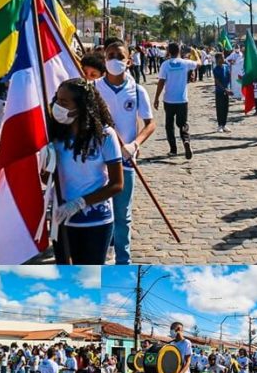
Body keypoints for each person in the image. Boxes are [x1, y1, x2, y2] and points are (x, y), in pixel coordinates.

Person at [48, 78, 124, 264]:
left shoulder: (105, 136)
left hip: (96, 221)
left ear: (81, 106)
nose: (58, 106)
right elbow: (47, 177)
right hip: (62, 220)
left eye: (64, 102)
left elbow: (117, 184)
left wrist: (79, 203)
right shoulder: (56, 135)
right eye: (57, 100)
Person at [94, 41, 156, 265]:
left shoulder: (137, 91)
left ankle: (123, 261)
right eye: (110, 56)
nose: (114, 60)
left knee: (122, 215)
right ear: (104, 59)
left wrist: (135, 144)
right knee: (101, 212)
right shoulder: (94, 89)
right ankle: (102, 253)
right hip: (97, 162)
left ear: (128, 61)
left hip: (125, 160)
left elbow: (150, 123)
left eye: (119, 56)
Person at [154, 44, 200, 159]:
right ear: (179, 50)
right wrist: (195, 54)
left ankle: (173, 150)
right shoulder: (186, 63)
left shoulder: (165, 64)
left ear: (168, 51)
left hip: (169, 100)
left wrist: (156, 98)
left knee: (169, 125)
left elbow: (161, 82)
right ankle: (185, 141)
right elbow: (199, 64)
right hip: (182, 100)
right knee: (183, 124)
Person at [212, 52, 232, 132]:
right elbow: (217, 81)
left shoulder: (226, 67)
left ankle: (224, 125)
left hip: (227, 91)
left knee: (225, 108)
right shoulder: (215, 69)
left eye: (223, 57)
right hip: (220, 91)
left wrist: (230, 88)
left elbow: (229, 77)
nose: (223, 58)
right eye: (222, 57)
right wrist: (224, 89)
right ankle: (220, 125)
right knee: (220, 108)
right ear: (217, 59)